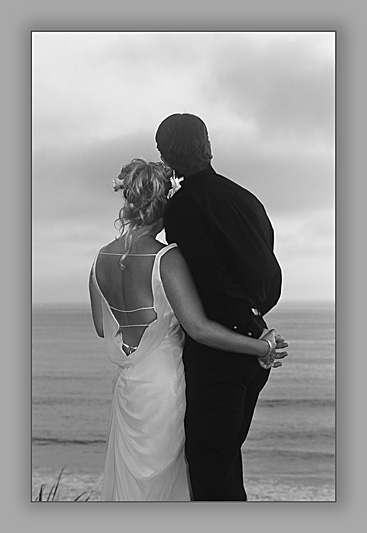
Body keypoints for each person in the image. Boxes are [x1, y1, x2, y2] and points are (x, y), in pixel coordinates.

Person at [89, 158, 288, 501]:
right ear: (164, 201)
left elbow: (101, 328)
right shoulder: (167, 259)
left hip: (130, 389)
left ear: (128, 201)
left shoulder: (99, 260)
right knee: (171, 483)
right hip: (167, 388)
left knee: (135, 484)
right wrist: (261, 347)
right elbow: (199, 328)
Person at [155, 113, 284, 501]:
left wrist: (246, 334)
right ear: (208, 145)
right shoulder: (245, 197)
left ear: (165, 158)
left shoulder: (183, 208)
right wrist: (257, 327)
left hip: (220, 352)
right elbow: (268, 277)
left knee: (211, 470)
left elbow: (209, 281)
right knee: (224, 465)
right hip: (250, 350)